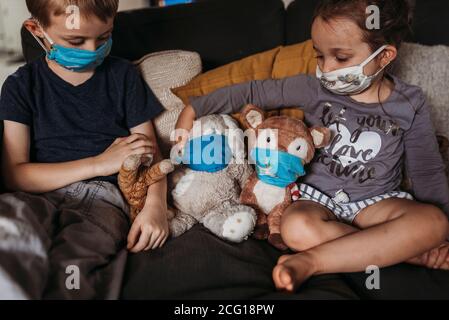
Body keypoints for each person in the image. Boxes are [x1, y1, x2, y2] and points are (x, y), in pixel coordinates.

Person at [175, 0, 449, 292]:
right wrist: (195, 109)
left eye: (341, 58)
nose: (327, 68)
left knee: (433, 222)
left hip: (377, 204)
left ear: (384, 58)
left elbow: (427, 171)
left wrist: (441, 234)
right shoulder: (314, 89)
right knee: (295, 228)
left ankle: (326, 257)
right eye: (320, 56)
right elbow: (254, 90)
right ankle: (398, 253)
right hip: (316, 200)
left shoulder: (410, 103)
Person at [0, 0, 169, 299]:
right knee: (9, 235)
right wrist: (99, 163)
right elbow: (15, 174)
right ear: (37, 30)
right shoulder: (20, 86)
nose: (92, 51)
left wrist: (155, 206)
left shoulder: (123, 77)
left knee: (73, 265)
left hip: (102, 199)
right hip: (35, 194)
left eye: (103, 38)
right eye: (76, 41)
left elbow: (150, 152)